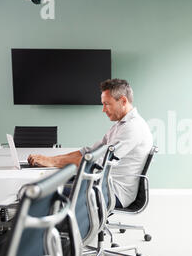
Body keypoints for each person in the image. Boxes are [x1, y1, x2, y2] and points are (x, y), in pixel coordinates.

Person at [27, 79, 153, 208]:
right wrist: (49, 159)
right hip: (101, 184)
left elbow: (95, 163)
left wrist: (52, 162)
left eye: (107, 104)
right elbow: (89, 152)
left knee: (42, 192)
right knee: (48, 182)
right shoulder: (121, 125)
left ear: (123, 101)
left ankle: (49, 226)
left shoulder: (133, 127)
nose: (103, 109)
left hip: (114, 192)